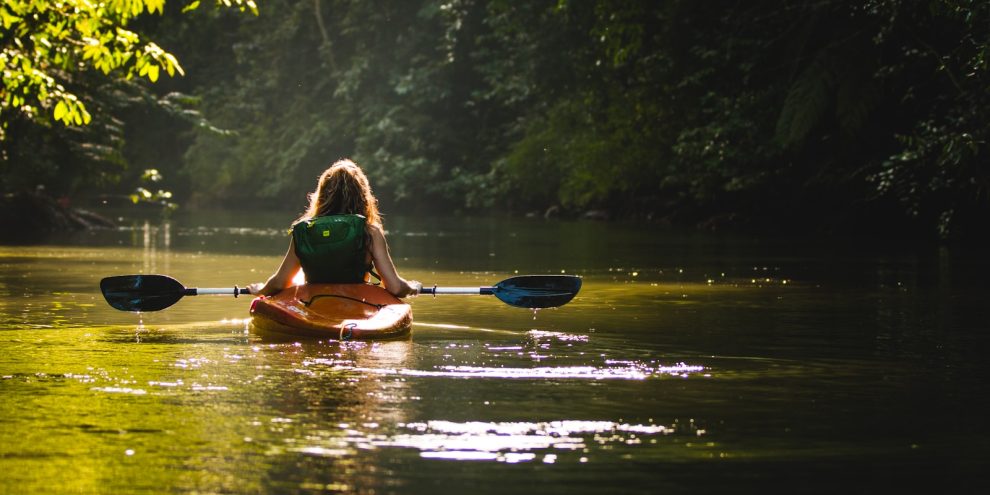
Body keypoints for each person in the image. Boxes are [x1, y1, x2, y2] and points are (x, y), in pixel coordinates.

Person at [247, 159, 420, 298]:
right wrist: (412, 287)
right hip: (357, 303)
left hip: (314, 304)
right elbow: (396, 288)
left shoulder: (305, 231)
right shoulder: (370, 233)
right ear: (363, 196)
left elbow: (279, 283)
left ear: (321, 195)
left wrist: (261, 290)